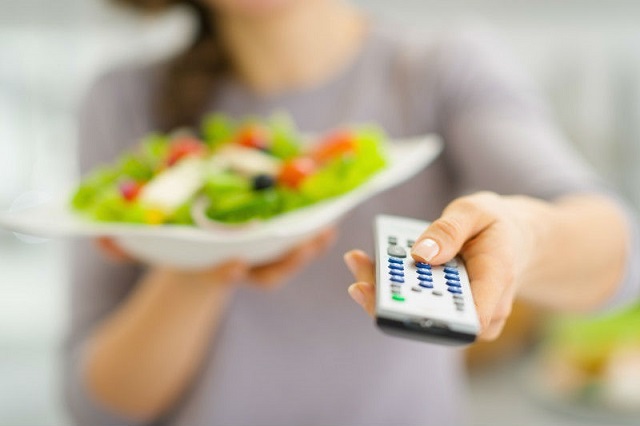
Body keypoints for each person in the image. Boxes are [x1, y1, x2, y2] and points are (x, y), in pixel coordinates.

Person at [64, 0, 640, 425]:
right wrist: (196, 263)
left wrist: (525, 237)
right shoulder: (124, 101)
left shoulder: (439, 70)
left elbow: (620, 259)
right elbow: (95, 406)